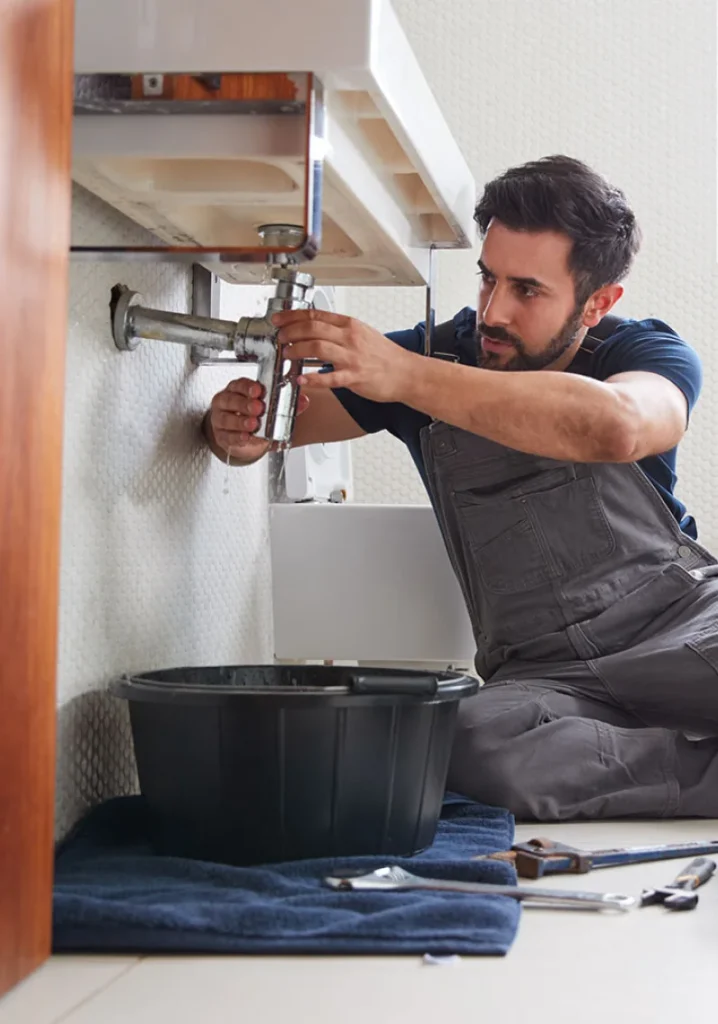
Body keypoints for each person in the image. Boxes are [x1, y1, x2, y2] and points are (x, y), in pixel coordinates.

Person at [204, 155, 718, 821]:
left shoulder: (645, 353)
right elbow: (273, 429)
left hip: (679, 627)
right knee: (461, 740)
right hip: (544, 676)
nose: (492, 312)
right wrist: (236, 429)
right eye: (487, 278)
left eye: (527, 290)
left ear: (598, 302)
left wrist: (407, 376)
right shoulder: (435, 353)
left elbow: (618, 426)